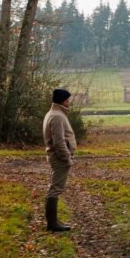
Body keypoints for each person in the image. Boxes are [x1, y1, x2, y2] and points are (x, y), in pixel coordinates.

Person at [42, 88, 76, 232]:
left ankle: (53, 221)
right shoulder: (57, 116)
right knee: (55, 189)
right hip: (59, 157)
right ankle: (52, 223)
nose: (69, 102)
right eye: (68, 100)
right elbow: (59, 141)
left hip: (57, 156)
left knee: (55, 188)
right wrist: (67, 158)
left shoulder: (55, 113)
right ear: (63, 101)